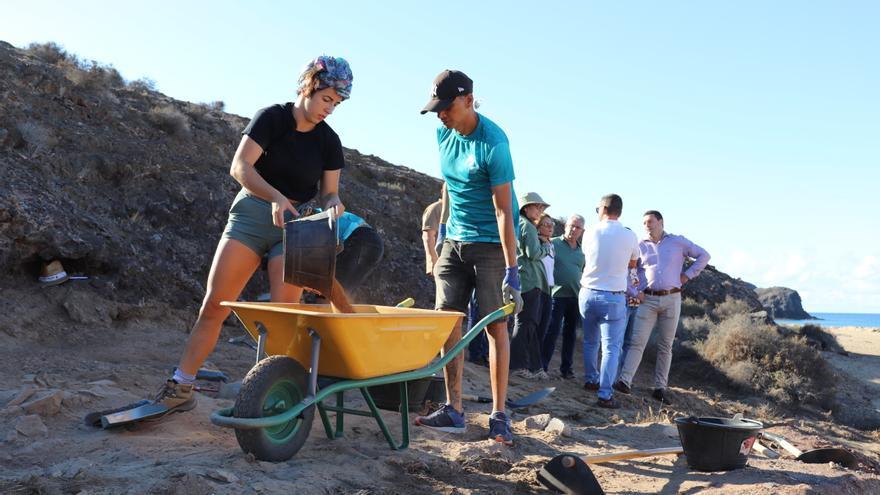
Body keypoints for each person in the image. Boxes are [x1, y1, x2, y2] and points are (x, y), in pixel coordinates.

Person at [153, 56, 354, 414]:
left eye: (337, 104)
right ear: (310, 85)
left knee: (283, 315)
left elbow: (329, 192)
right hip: (251, 215)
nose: (331, 109)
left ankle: (271, 395)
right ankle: (180, 386)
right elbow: (239, 167)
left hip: (295, 230)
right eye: (327, 99)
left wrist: (334, 204)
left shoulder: (329, 141)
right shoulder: (272, 118)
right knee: (215, 304)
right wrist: (275, 196)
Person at [414, 69, 521, 445]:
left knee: (495, 327)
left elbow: (505, 211)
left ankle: (499, 415)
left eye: (446, 107)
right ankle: (454, 409)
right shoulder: (443, 132)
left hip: (491, 246)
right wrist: (442, 230)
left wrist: (513, 269)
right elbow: (448, 184)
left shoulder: (494, 143)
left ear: (468, 101)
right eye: (436, 108)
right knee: (448, 323)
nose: (440, 114)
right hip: (454, 243)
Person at [614, 210, 711, 405]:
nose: (647, 226)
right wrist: (635, 291)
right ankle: (624, 382)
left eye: (650, 221)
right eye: (644, 223)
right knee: (637, 342)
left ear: (661, 222)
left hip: (672, 298)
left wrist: (687, 275)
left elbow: (704, 256)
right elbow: (628, 270)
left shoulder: (678, 242)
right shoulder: (640, 246)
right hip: (647, 299)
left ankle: (660, 388)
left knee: (665, 346)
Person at [580, 194, 639, 409]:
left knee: (590, 341)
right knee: (611, 347)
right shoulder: (629, 235)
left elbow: (587, 255)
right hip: (613, 296)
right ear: (619, 211)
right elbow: (633, 263)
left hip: (588, 291)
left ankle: (590, 380)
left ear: (603, 208)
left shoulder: (590, 232)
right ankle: (605, 394)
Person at [509, 193, 551, 379]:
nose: (540, 210)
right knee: (525, 323)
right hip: (529, 281)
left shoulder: (522, 225)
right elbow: (533, 253)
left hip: (526, 280)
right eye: (538, 207)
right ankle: (517, 366)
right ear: (527, 208)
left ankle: (532, 366)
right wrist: (545, 248)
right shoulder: (528, 227)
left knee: (528, 324)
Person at [540, 214, 586, 379]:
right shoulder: (553, 243)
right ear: (566, 225)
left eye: (578, 227)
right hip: (556, 295)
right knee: (551, 331)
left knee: (570, 334)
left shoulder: (583, 251)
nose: (574, 230)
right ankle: (542, 365)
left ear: (582, 231)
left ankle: (566, 369)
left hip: (575, 296)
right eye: (572, 225)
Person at [421, 197, 442, 275]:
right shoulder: (435, 208)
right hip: (441, 262)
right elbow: (428, 236)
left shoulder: (457, 208)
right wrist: (433, 261)